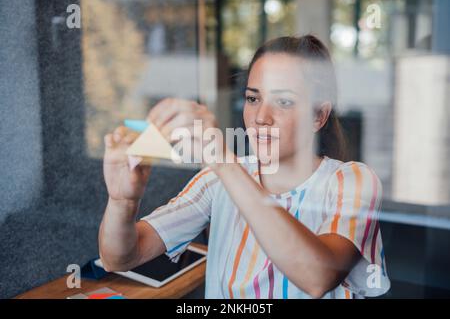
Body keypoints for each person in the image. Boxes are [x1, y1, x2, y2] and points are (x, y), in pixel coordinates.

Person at [99, 35, 390, 299]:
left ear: (319, 116)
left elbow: (317, 277)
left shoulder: (353, 180)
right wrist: (122, 202)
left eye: (284, 101)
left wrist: (224, 162)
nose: (261, 117)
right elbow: (120, 258)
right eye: (253, 98)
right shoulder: (217, 179)